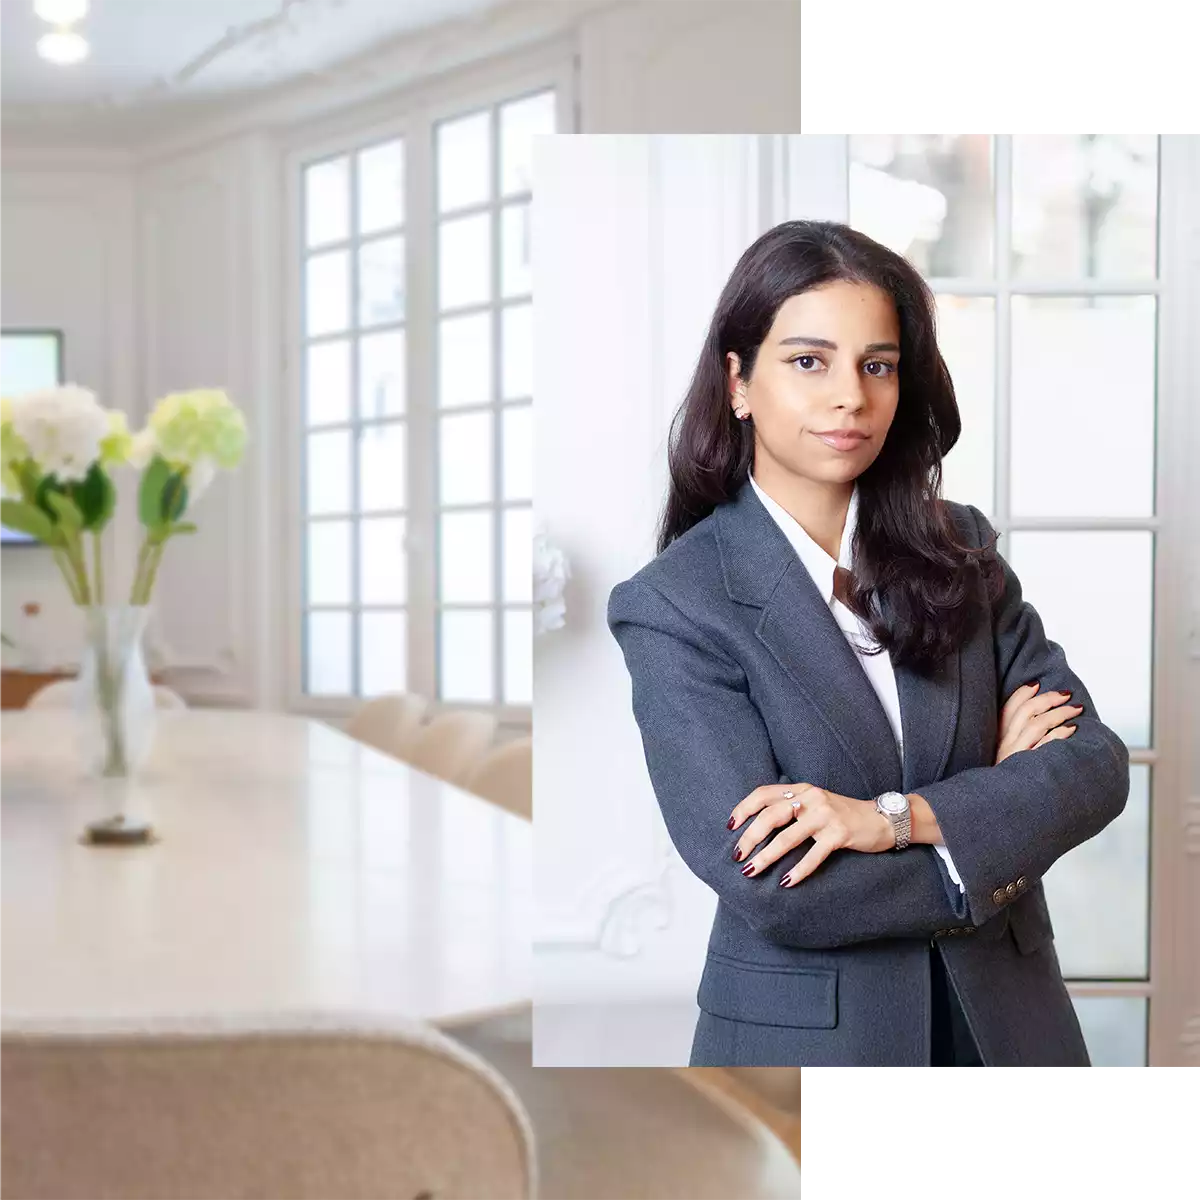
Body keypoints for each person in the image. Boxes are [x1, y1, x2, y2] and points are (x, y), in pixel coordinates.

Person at [606, 220, 1130, 1070]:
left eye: (876, 365)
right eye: (809, 362)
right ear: (738, 381)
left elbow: (1093, 768)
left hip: (1011, 1032)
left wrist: (891, 821)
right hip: (816, 1053)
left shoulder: (961, 549)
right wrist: (990, 818)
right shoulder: (676, 605)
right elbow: (778, 888)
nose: (850, 395)